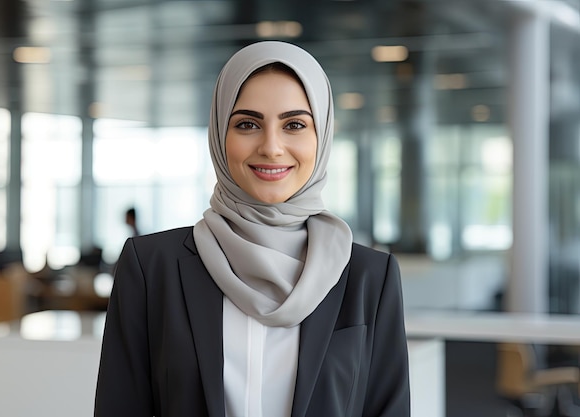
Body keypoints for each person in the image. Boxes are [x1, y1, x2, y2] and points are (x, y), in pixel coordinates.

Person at [94, 41, 410, 417]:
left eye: (294, 124)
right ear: (219, 134)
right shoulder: (151, 268)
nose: (272, 147)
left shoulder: (369, 277)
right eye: (247, 124)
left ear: (322, 135)